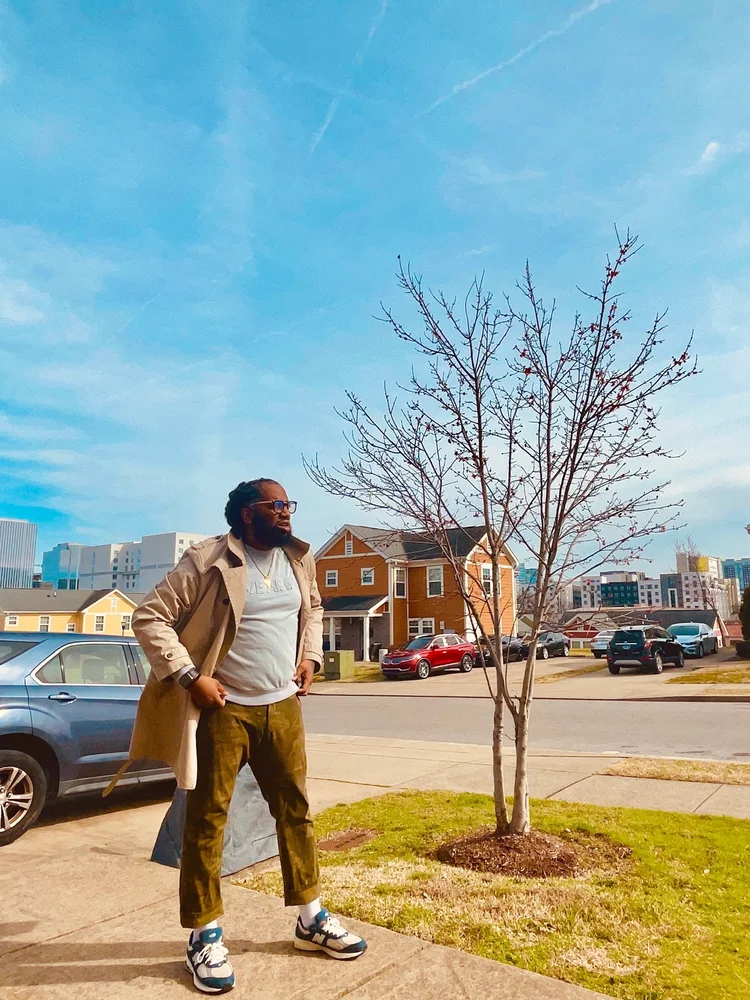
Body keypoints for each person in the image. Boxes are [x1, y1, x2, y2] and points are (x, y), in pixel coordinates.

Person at [123, 478, 367, 994]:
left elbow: (313, 609)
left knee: (296, 812)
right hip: (224, 712)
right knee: (207, 821)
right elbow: (149, 617)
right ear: (246, 514)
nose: (286, 512)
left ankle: (310, 919)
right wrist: (190, 676)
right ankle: (204, 934)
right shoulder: (207, 560)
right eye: (274, 505)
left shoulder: (298, 558)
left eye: (288, 504)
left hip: (283, 707)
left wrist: (311, 656)